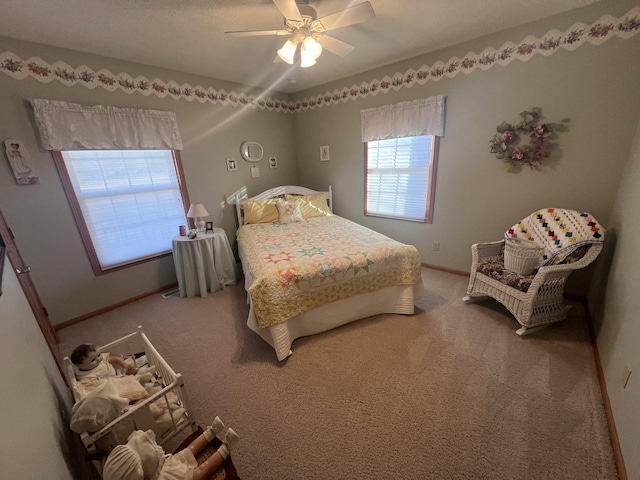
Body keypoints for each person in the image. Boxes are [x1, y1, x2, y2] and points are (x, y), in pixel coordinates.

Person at [102, 417, 240, 480]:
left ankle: (211, 431)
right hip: (180, 477)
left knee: (189, 449)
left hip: (169, 464)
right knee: (203, 469)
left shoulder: (149, 466)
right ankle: (226, 447)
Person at [70, 343, 139, 379]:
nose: (98, 359)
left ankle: (139, 374)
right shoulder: (86, 376)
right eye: (93, 360)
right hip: (111, 385)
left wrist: (125, 365)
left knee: (134, 369)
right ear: (81, 365)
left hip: (118, 375)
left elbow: (115, 359)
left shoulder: (101, 360)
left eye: (99, 355)